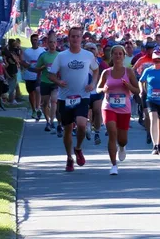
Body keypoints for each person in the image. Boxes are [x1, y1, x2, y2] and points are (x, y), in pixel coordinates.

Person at [48, 26, 99, 172]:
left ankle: (78, 148)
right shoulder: (61, 56)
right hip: (65, 97)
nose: (75, 39)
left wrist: (93, 83)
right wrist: (59, 82)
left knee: (82, 124)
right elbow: (51, 74)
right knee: (68, 129)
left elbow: (96, 70)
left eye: (78, 36)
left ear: (82, 38)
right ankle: (69, 158)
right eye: (73, 36)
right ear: (68, 38)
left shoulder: (88, 55)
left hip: (82, 95)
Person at [96, 45, 140, 175]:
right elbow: (97, 88)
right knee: (112, 132)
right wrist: (103, 90)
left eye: (120, 54)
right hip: (109, 107)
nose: (118, 56)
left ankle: (122, 146)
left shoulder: (129, 72)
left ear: (123, 56)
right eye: (115, 54)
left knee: (122, 139)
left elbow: (137, 90)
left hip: (124, 108)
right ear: (112, 56)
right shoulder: (106, 72)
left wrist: (128, 86)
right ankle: (113, 165)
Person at [139, 50, 160, 154]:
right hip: (151, 99)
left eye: (159, 59)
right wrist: (142, 90)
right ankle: (155, 146)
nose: (158, 61)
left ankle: (159, 143)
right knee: (153, 119)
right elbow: (141, 81)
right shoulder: (148, 71)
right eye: (155, 60)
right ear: (153, 60)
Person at [35, 33, 60, 134]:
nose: (52, 44)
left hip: (55, 82)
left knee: (54, 100)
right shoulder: (43, 55)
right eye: (50, 42)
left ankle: (52, 121)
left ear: (56, 43)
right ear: (47, 44)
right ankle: (47, 120)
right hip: (45, 81)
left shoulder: (60, 55)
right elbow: (37, 68)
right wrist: (43, 67)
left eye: (54, 42)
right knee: (45, 104)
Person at [21, 33, 45, 120]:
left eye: (36, 40)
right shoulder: (27, 51)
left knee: (38, 90)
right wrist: (28, 66)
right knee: (31, 93)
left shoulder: (42, 51)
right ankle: (33, 109)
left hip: (38, 75)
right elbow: (23, 62)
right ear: (31, 41)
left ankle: (38, 108)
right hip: (29, 74)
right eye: (34, 40)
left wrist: (41, 69)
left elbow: (45, 62)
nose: (35, 41)